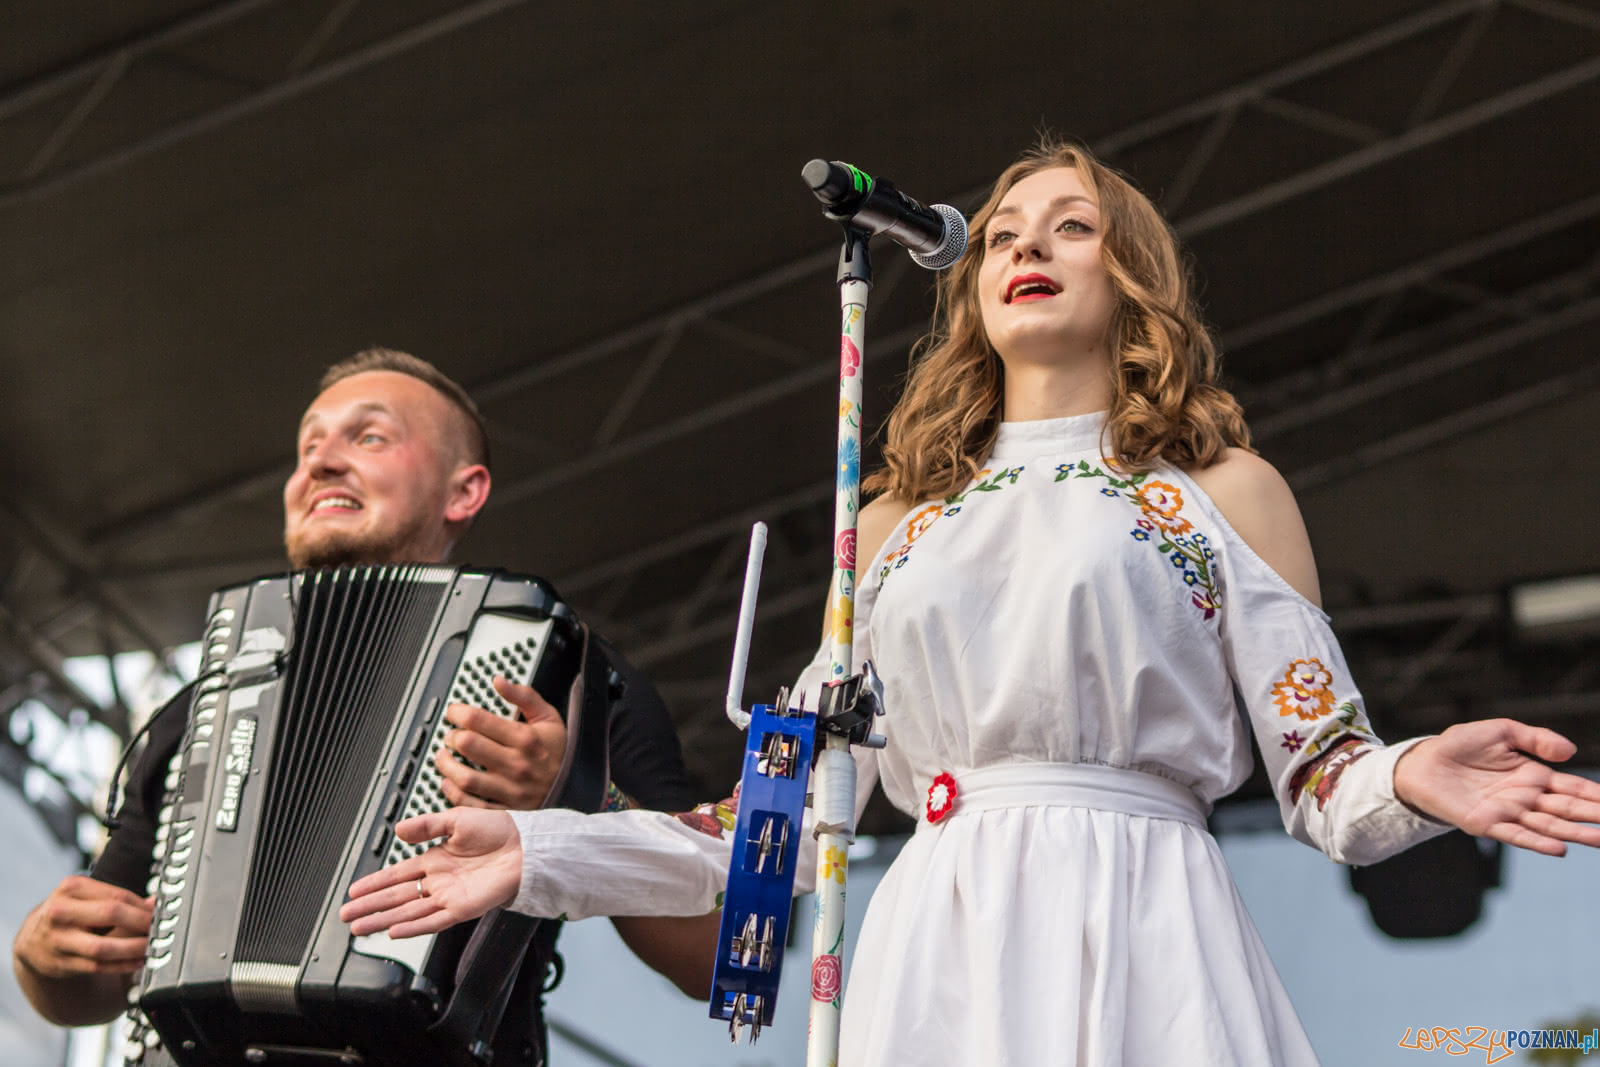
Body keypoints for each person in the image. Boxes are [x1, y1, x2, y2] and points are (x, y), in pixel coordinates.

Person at [339, 143, 1600, 1066]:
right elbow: (777, 812)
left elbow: (1323, 779)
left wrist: (1421, 769)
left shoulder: (1220, 490)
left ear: (1135, 275)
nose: (1023, 249)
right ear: (968, 285)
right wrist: (542, 851)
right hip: (941, 932)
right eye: (1000, 232)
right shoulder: (890, 523)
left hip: (1143, 916)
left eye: (1068, 227)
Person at [10, 348, 700, 1065]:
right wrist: (39, 958)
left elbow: (709, 957)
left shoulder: (568, 678)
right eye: (308, 446)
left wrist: (582, 800)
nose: (321, 463)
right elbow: (85, 983)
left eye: (368, 437)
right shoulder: (205, 702)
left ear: (463, 493)